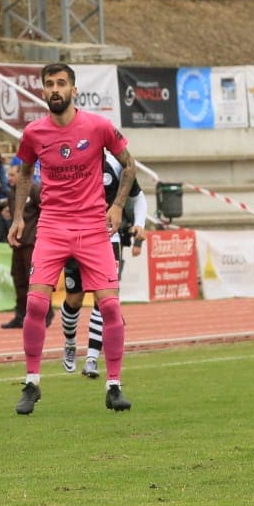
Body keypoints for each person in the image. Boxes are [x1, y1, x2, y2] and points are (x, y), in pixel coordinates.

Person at [8, 63, 136, 415]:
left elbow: (129, 164)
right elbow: (22, 175)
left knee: (110, 307)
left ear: (74, 90)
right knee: (36, 304)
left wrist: (119, 206)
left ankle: (113, 386)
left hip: (93, 226)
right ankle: (32, 383)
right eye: (49, 84)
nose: (54, 89)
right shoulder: (33, 133)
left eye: (61, 83)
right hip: (52, 226)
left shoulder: (98, 126)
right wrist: (18, 217)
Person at [59, 152, 147, 378]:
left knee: (105, 297)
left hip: (108, 238)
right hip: (76, 238)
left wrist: (139, 224)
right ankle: (70, 342)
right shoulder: (71, 165)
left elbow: (138, 197)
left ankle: (91, 359)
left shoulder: (117, 165)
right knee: (74, 299)